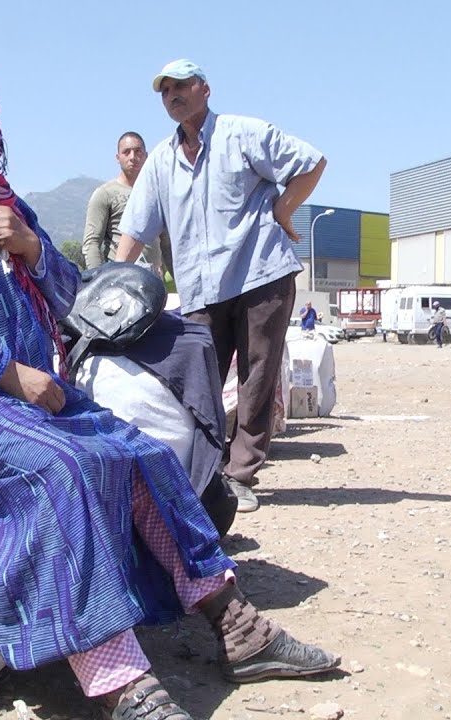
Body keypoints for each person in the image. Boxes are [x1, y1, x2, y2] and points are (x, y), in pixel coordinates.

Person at [0, 55, 339, 719]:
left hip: (26, 382)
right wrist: (6, 374)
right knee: (65, 471)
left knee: (141, 454)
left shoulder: (0, 195)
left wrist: (33, 249)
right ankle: (121, 683)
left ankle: (239, 630)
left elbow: (74, 296)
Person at [114, 59, 327, 513]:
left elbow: (311, 163)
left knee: (256, 377)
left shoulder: (242, 134)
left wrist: (284, 212)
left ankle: (241, 474)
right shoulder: (160, 162)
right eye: (165, 90)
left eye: (181, 86)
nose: (173, 95)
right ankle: (203, 473)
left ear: (204, 89)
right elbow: (135, 229)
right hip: (200, 289)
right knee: (198, 382)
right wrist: (109, 289)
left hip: (260, 273)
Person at [83, 132, 169, 276]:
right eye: (126, 152)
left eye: (138, 151)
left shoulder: (157, 193)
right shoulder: (105, 194)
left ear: (146, 155)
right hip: (121, 279)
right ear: (118, 158)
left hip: (153, 281)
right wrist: (98, 281)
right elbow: (92, 243)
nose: (132, 157)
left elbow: (167, 244)